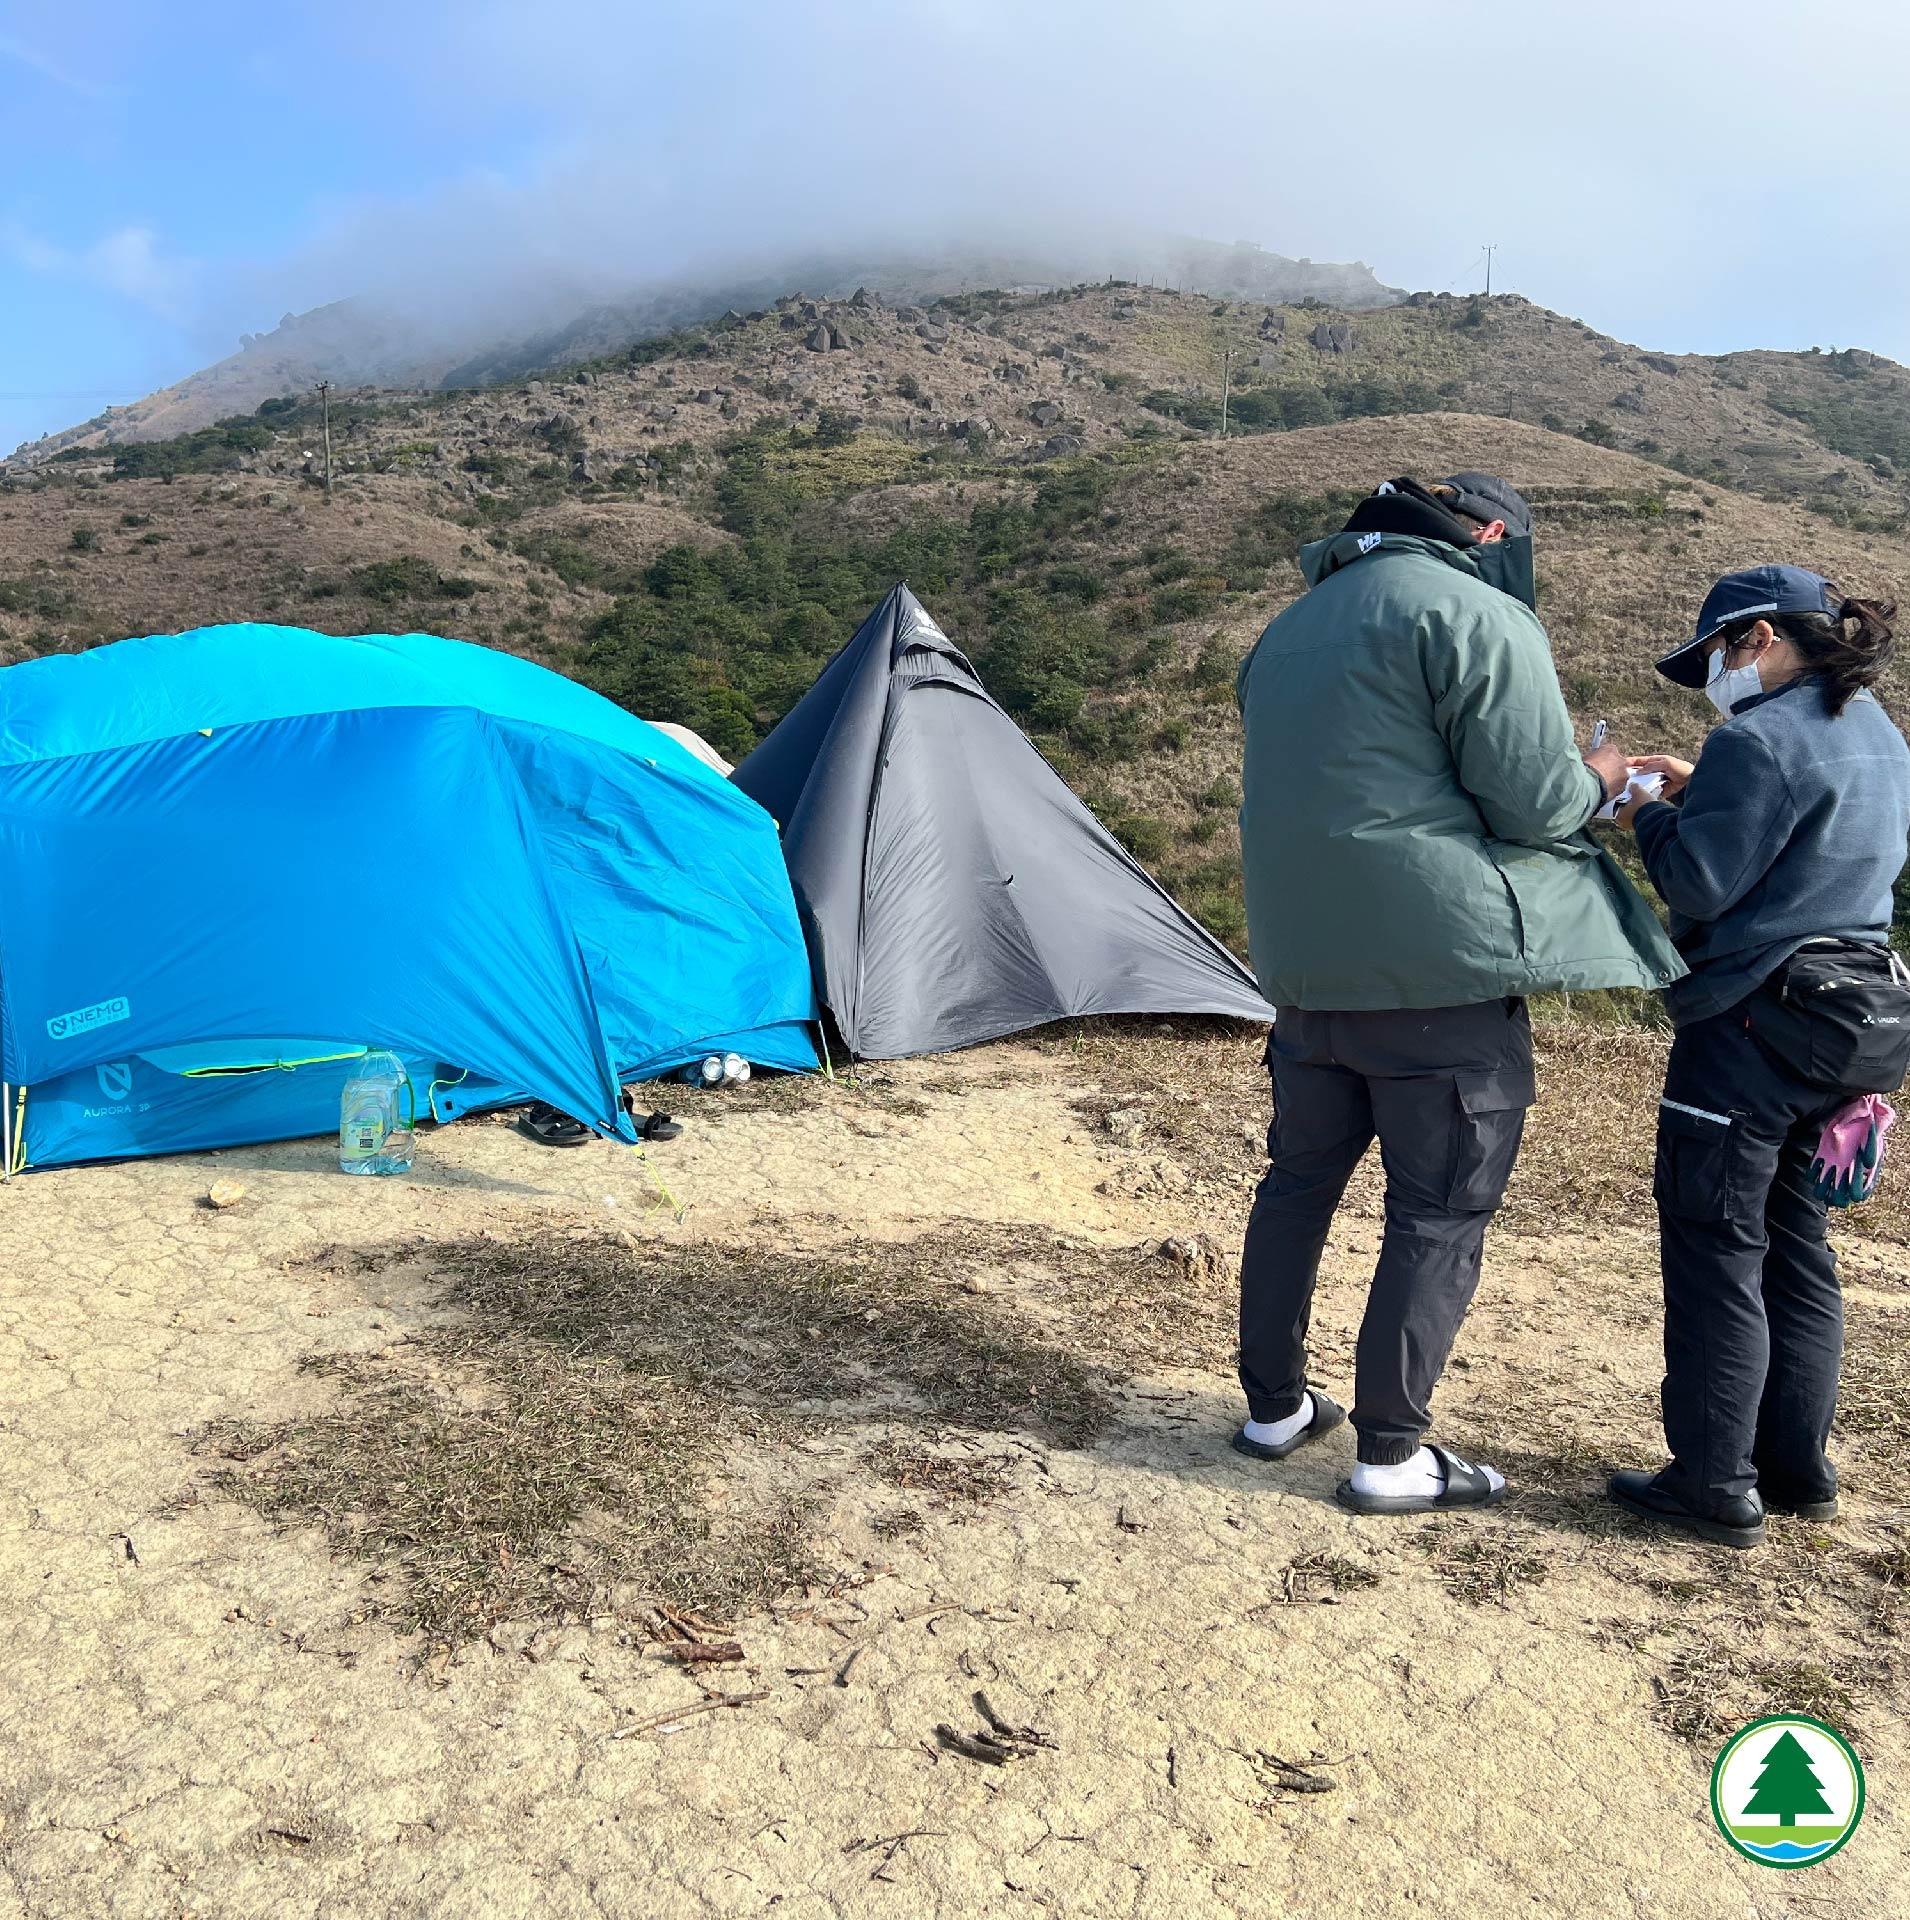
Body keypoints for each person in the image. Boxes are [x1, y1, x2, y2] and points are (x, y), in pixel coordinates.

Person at [1232, 474, 1684, 1514]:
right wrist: (1603, 774)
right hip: (1439, 973)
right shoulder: (1477, 611)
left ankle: (1274, 1410)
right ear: (1487, 535)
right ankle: (1389, 1455)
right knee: (1434, 1213)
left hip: (1306, 974)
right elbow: (1533, 803)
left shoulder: (1286, 632)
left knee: (1294, 1188)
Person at [1605, 566, 1910, 1547]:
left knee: (1713, 1248)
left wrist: (1642, 810)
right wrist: (1703, 788)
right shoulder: (1876, 730)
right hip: (1847, 1019)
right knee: (1792, 1242)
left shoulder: (1752, 739)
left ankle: (1710, 1483)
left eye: (1712, 659)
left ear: (1758, 636)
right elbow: (1807, 837)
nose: (1710, 682)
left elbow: (1697, 884)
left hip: (1746, 1022)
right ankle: (1794, 1468)